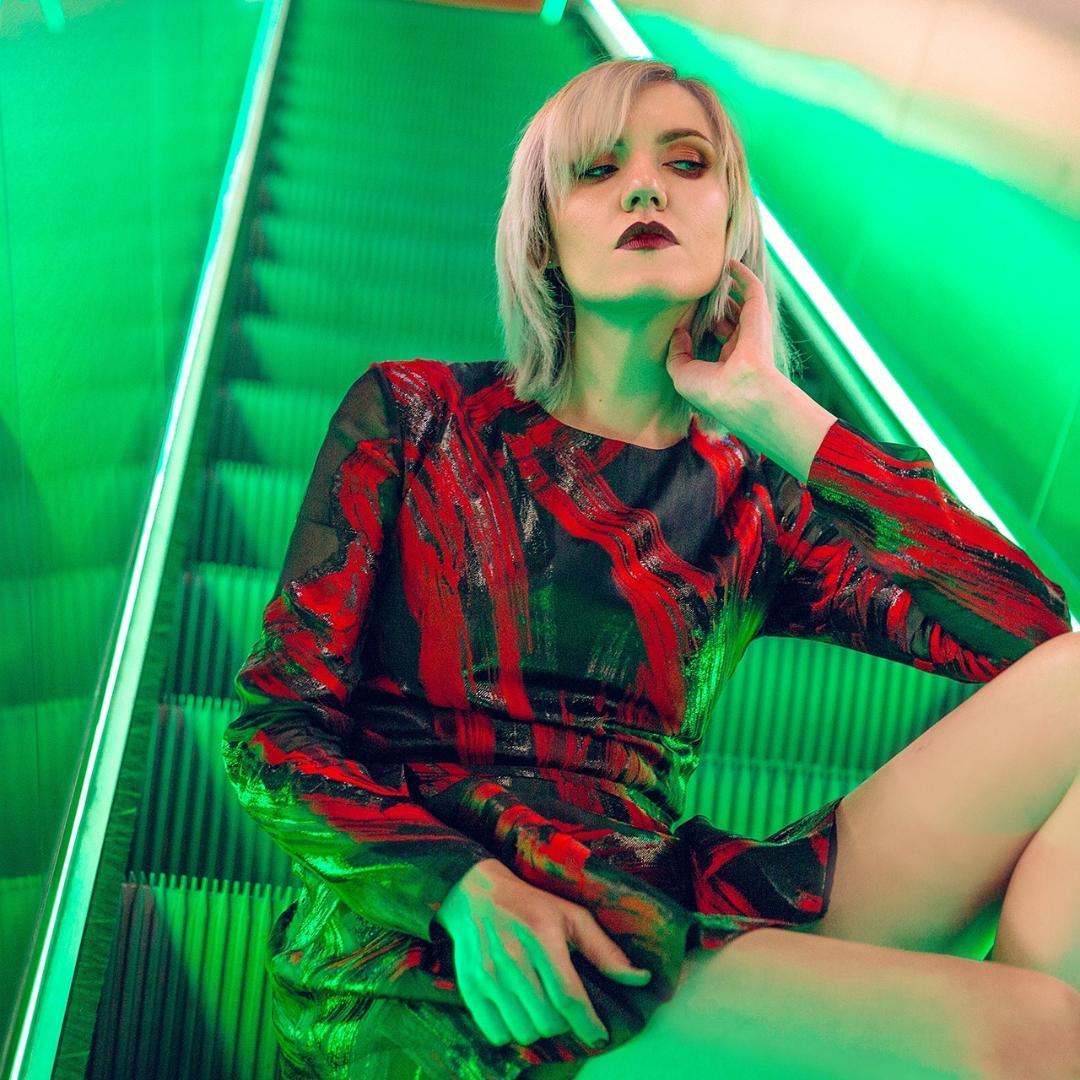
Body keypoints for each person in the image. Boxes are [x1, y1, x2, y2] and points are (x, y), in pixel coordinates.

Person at [221, 58, 1075, 1079]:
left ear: (731, 228)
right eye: (598, 169)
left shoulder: (753, 495)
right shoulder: (415, 416)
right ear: (544, 237)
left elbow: (1028, 632)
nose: (644, 189)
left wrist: (773, 409)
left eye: (686, 163)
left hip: (656, 898)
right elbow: (274, 731)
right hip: (445, 943)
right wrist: (459, 886)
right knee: (1036, 1033)